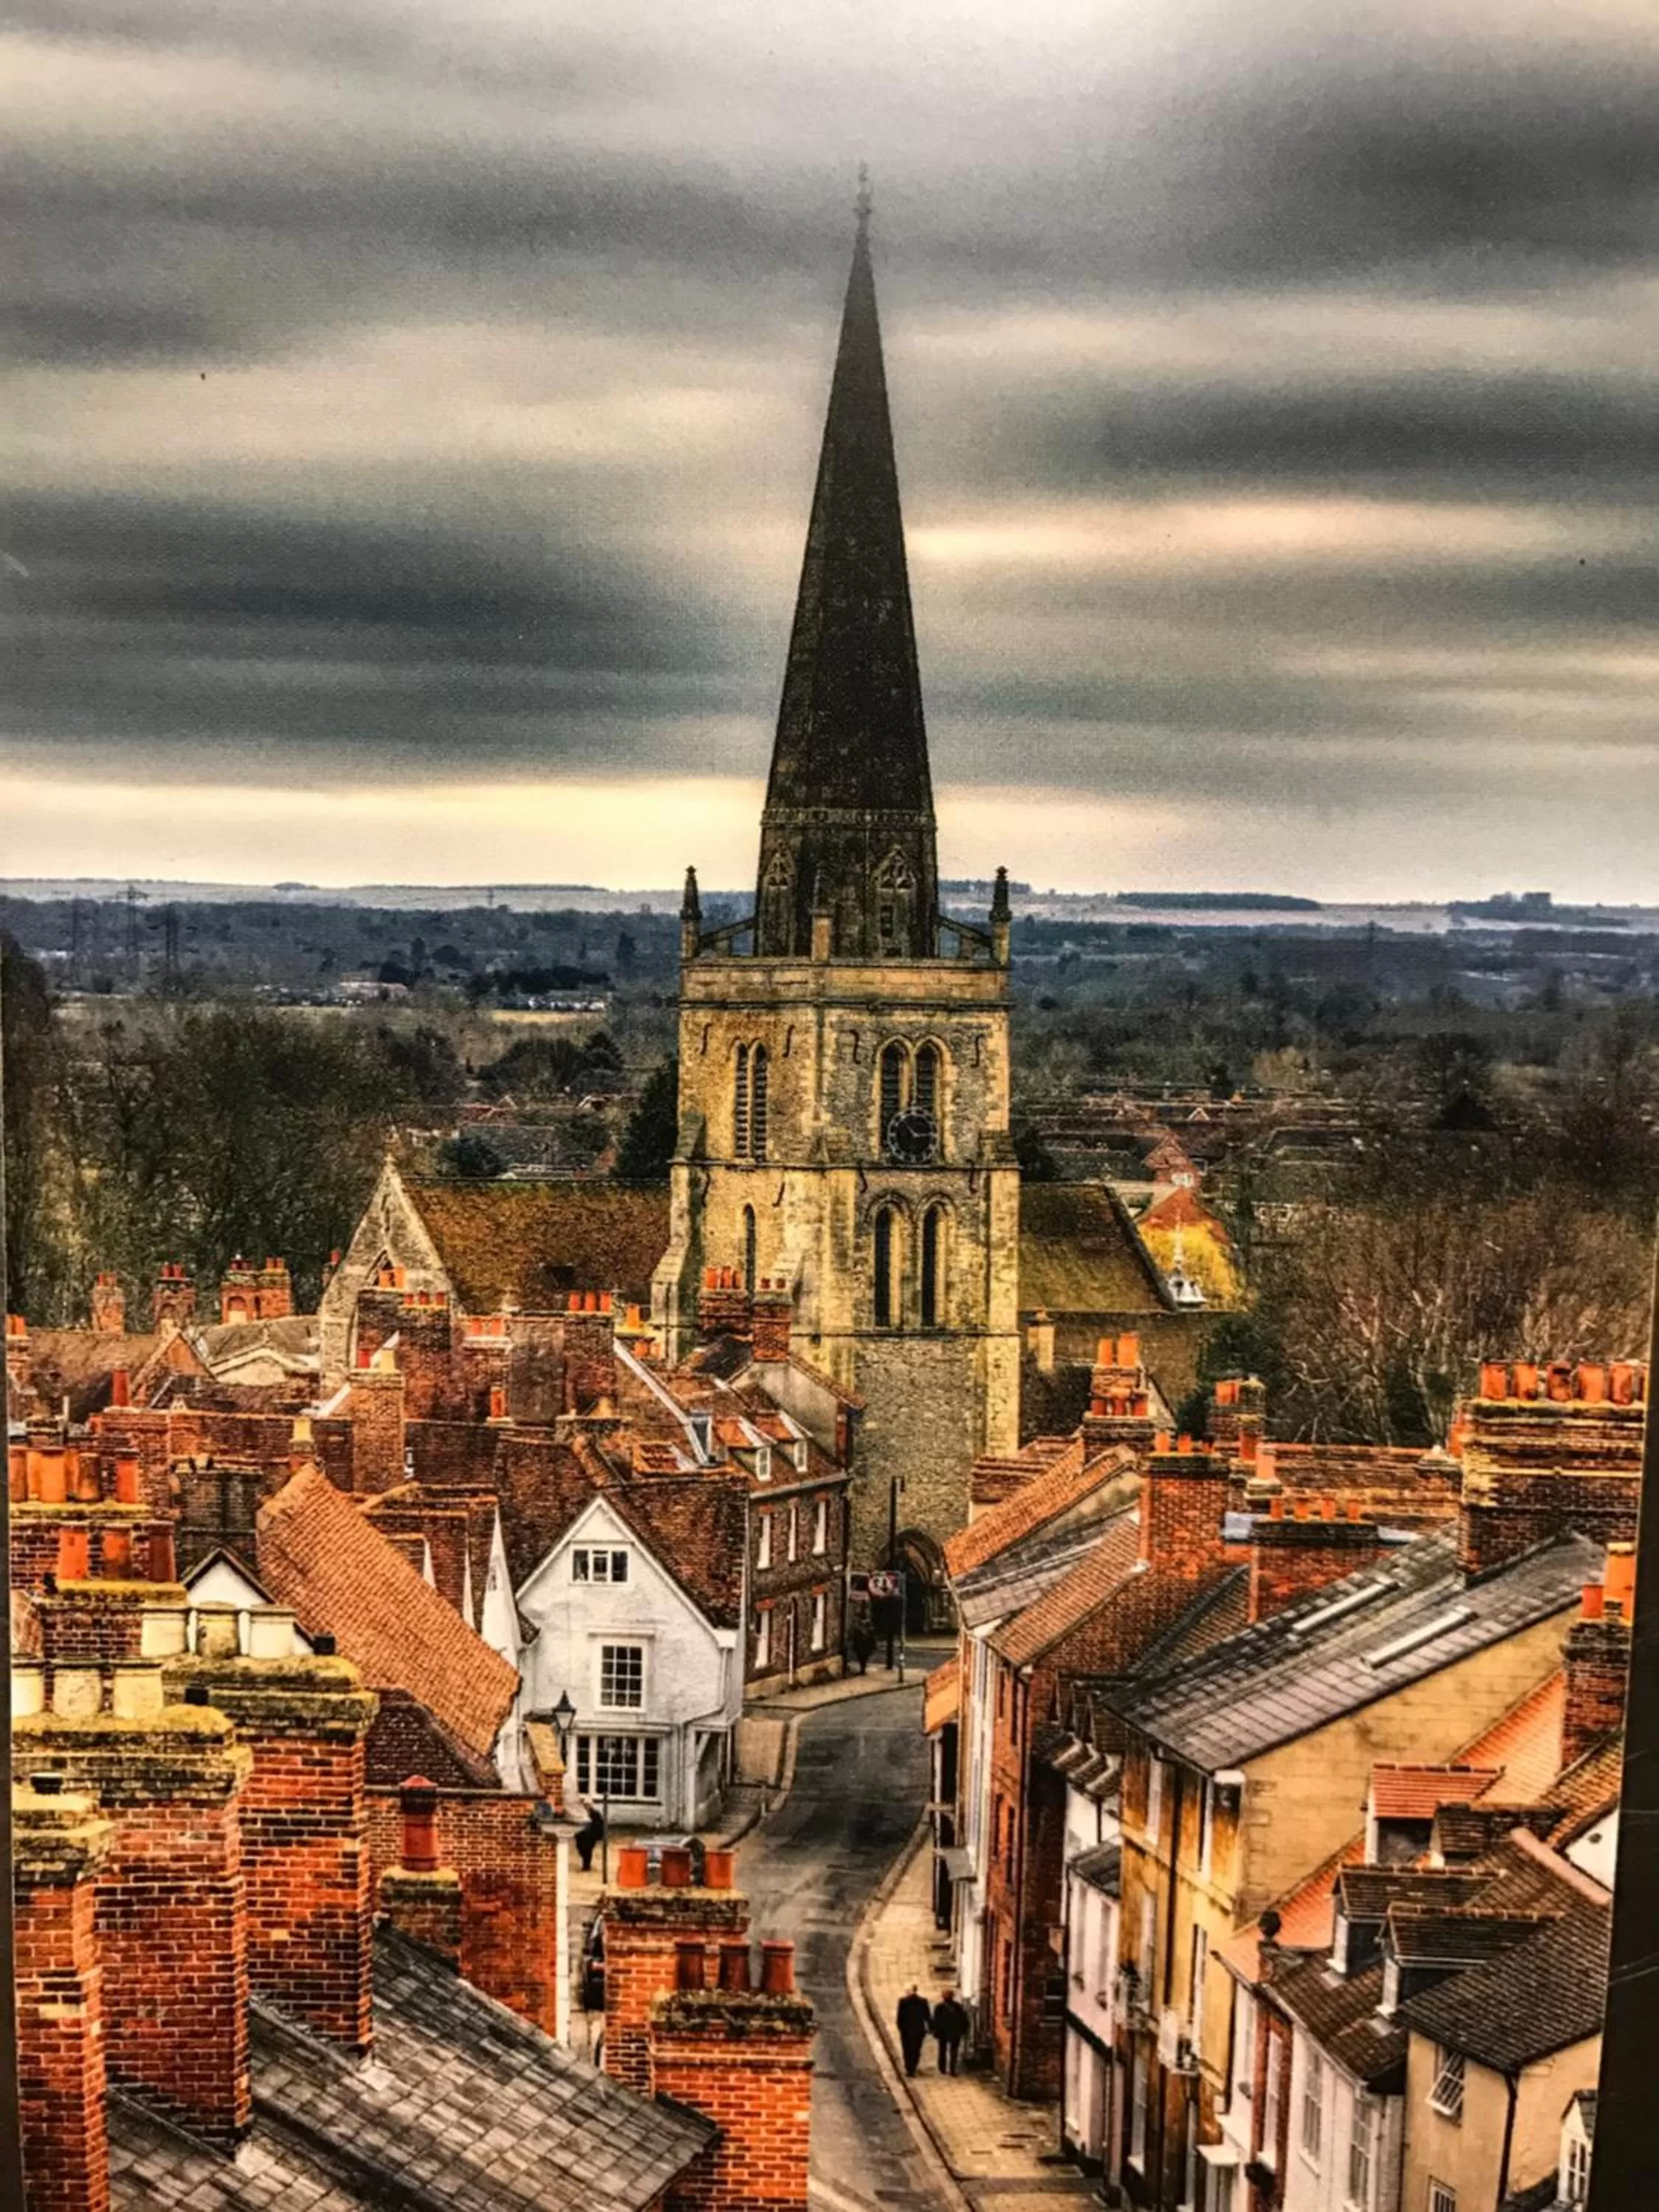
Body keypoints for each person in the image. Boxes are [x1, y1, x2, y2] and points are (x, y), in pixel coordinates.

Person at [896, 1985, 933, 2077]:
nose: (906, 1993)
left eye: (907, 1991)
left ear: (911, 1991)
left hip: (906, 2030)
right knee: (916, 2049)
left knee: (907, 2049)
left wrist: (901, 2028)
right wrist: (930, 2028)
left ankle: (909, 2068)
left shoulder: (903, 2002)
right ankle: (913, 2066)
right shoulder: (923, 2001)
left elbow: (900, 2017)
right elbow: (927, 2016)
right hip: (919, 2030)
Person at [933, 1988, 969, 2074]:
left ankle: (946, 2068)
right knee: (950, 2051)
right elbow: (963, 2019)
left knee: (946, 2051)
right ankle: (948, 2068)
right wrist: (964, 2030)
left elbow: (936, 2020)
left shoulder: (941, 2007)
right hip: (950, 2032)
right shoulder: (956, 2007)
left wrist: (935, 2030)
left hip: (947, 2032)